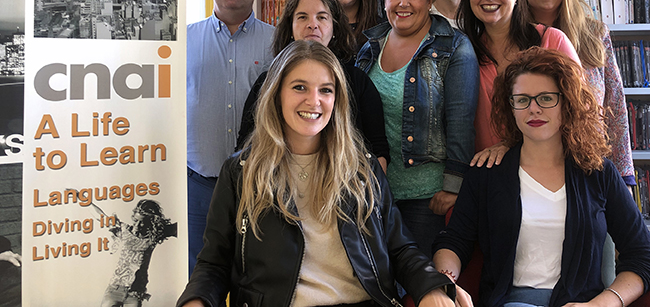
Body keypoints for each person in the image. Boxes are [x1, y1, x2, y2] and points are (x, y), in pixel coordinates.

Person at [178, 41, 456, 307]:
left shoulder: (362, 167)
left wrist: (432, 287)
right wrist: (196, 300)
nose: (314, 101)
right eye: (300, 87)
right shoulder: (240, 171)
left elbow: (400, 249)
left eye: (326, 90)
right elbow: (214, 263)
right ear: (276, 94)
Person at [433, 47, 650, 307]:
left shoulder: (598, 173)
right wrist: (445, 281)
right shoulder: (486, 173)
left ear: (567, 102)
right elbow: (454, 241)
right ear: (511, 107)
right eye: (522, 99)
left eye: (545, 98)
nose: (533, 109)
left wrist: (602, 303)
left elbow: (644, 257)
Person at [356, 0, 479, 257]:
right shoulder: (369, 46)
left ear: (430, 0)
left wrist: (453, 187)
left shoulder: (454, 47)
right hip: (372, 194)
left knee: (417, 289)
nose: (403, 3)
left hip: (427, 198)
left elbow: (461, 121)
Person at [187, 0, 275, 275]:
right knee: (199, 273)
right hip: (198, 186)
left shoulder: (277, 42)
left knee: (256, 274)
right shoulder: (183, 40)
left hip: (259, 184)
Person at [236, 0, 389, 169]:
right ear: (290, 27)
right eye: (302, 17)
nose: (312, 24)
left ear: (335, 27)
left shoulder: (358, 81)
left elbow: (378, 152)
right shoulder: (267, 82)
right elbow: (246, 146)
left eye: (322, 17)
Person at [521, 0, 634, 187]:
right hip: (533, 159)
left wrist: (624, 172)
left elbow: (615, 102)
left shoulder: (594, 33)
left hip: (588, 156)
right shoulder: (517, 37)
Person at [458, 0, 581, 159]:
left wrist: (511, 146)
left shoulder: (552, 41)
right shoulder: (463, 51)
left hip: (551, 169)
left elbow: (580, 111)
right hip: (488, 175)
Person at [101, 200, 177, 307]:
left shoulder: (153, 237)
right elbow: (101, 217)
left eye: (142, 222)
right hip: (115, 290)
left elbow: (183, 226)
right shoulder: (124, 230)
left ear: (150, 223)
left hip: (134, 294)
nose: (137, 225)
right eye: (135, 220)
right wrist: (81, 198)